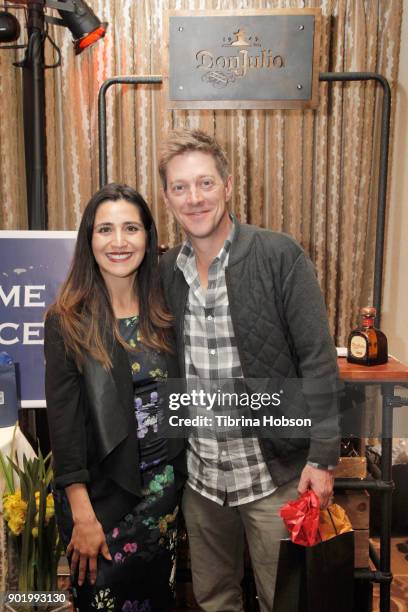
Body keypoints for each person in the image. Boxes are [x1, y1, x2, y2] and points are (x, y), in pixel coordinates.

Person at [158, 129, 340, 611]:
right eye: (180, 187)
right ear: (167, 196)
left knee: (283, 599)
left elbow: (318, 359)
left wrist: (322, 457)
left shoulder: (279, 255)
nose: (194, 198)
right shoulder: (163, 274)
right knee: (214, 599)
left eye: (205, 183)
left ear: (229, 185)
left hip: (272, 475)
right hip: (200, 481)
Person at [44, 183, 185, 611]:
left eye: (131, 228)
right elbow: (64, 431)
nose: (119, 242)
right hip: (101, 506)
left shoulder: (165, 313)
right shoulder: (67, 322)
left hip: (163, 504)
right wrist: (83, 516)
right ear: (89, 240)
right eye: (105, 229)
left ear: (149, 237)